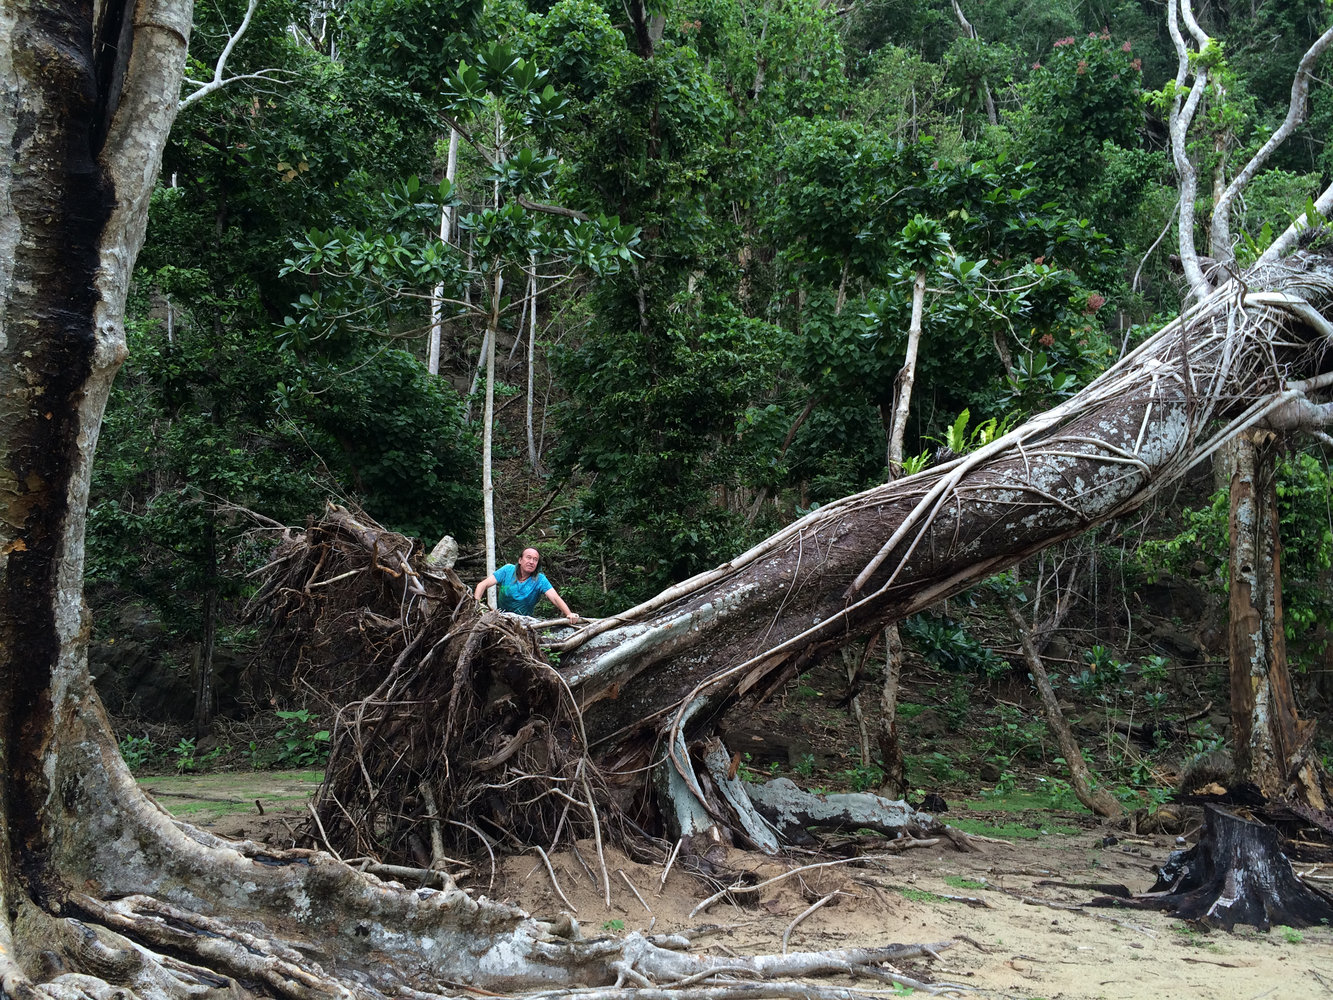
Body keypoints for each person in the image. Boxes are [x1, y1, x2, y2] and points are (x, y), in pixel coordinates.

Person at [475, 547, 580, 621]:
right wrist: (476, 606)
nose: (531, 562)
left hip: (524, 622)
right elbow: (482, 585)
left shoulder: (540, 579)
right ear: (520, 560)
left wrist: (569, 613)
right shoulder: (507, 570)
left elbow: (555, 598)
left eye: (535, 560)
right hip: (500, 619)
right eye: (528, 558)